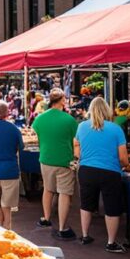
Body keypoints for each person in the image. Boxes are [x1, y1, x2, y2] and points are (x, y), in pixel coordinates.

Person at [74, 97, 130, 251]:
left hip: (86, 170)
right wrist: (127, 166)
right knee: (112, 207)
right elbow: (122, 157)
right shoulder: (116, 129)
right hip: (110, 172)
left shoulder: (82, 126)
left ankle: (85, 235)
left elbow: (77, 150)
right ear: (107, 110)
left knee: (86, 204)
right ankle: (111, 242)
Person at [31, 89, 78, 239]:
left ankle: (46, 218)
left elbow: (36, 136)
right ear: (62, 101)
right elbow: (76, 142)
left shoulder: (39, 119)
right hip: (65, 160)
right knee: (64, 193)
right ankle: (63, 228)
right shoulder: (69, 120)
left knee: (48, 189)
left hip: (46, 158)